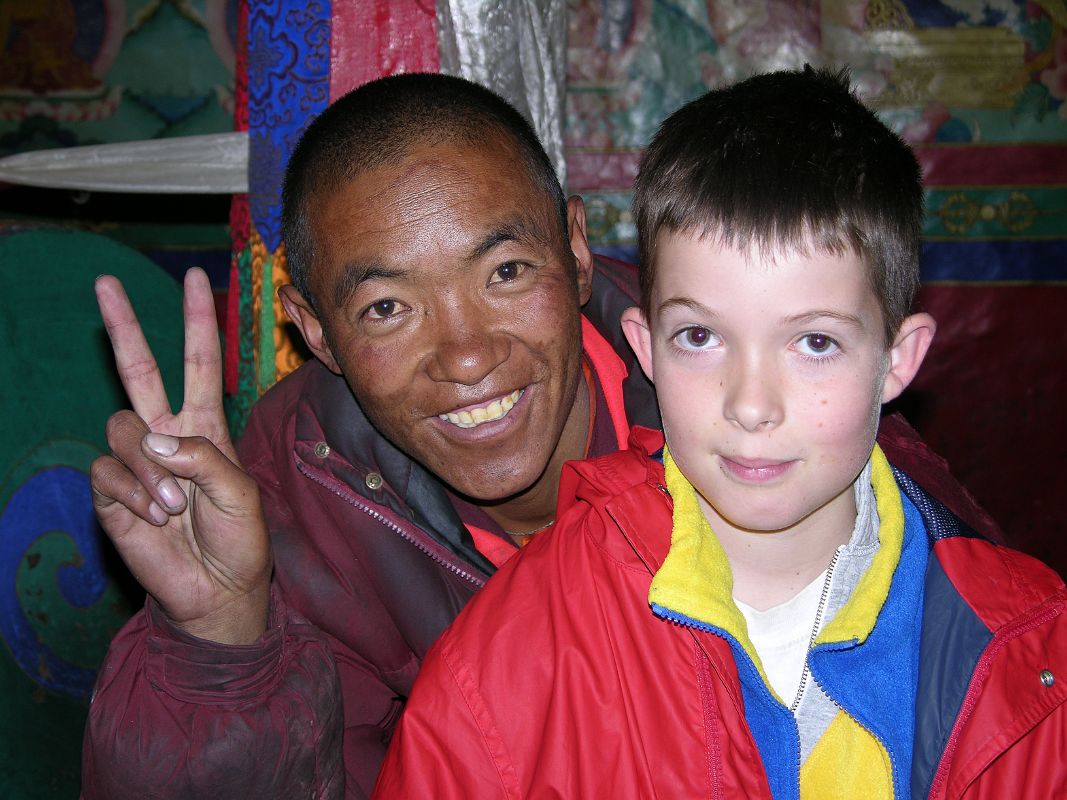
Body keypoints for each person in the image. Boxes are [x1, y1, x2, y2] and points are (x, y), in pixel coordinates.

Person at [83, 73, 1002, 799]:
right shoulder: (299, 491)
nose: (468, 355)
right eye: (388, 307)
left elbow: (988, 675)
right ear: (313, 330)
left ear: (571, 250)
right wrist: (212, 643)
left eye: (506, 269)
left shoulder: (749, 402)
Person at [373, 67, 1067, 799]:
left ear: (897, 361)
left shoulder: (1030, 655)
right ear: (644, 348)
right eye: (700, 336)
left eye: (814, 344)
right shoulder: (513, 650)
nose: (750, 403)